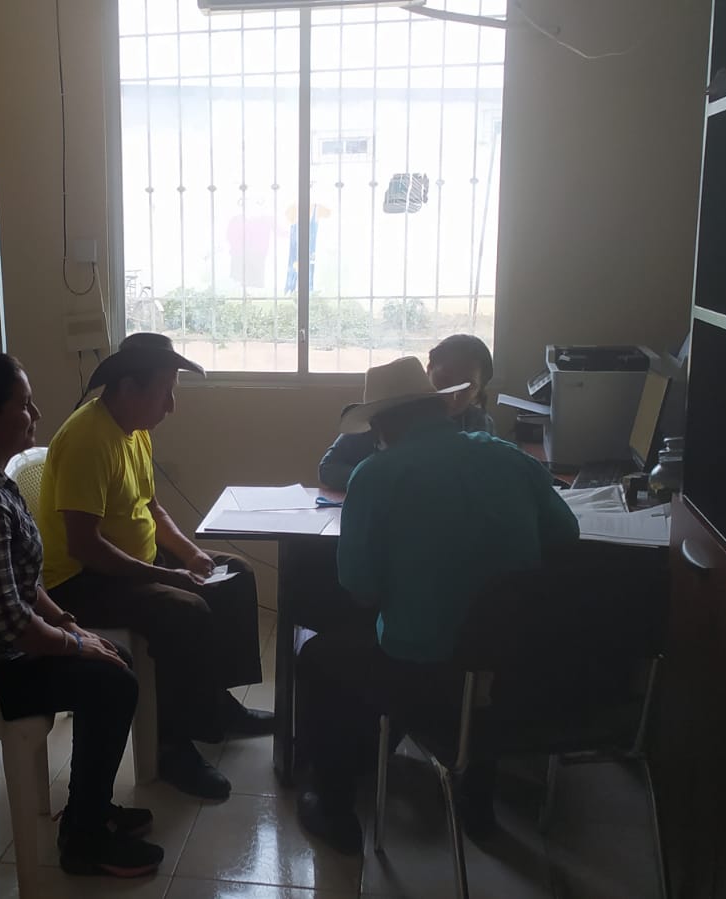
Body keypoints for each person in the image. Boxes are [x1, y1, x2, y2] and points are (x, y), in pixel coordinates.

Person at [293, 355, 579, 855]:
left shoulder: (375, 476)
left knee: (319, 656)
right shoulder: (511, 458)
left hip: (424, 672)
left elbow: (360, 589)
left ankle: (334, 808)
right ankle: (477, 800)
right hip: (516, 666)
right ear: (441, 409)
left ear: (381, 426)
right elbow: (565, 535)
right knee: (484, 647)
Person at [0, 352, 164, 879]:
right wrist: (78, 645)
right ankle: (84, 841)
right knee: (111, 683)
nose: (36, 413)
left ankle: (89, 810)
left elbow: (22, 582)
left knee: (114, 662)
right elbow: (10, 624)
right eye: (24, 404)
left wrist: (69, 625)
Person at [35, 333, 273, 801]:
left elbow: (151, 508)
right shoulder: (88, 439)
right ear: (129, 387)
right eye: (165, 392)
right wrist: (167, 575)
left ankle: (218, 704)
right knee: (183, 611)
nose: (171, 406)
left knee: (235, 574)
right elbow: (85, 546)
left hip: (131, 563)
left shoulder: (135, 430)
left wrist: (190, 554)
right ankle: (171, 747)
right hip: (81, 582)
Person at [318, 333, 496, 491]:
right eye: (444, 378)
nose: (453, 394)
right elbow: (329, 467)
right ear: (428, 370)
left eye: (467, 387)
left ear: (479, 391)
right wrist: (384, 481)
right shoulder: (389, 414)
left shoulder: (478, 425)